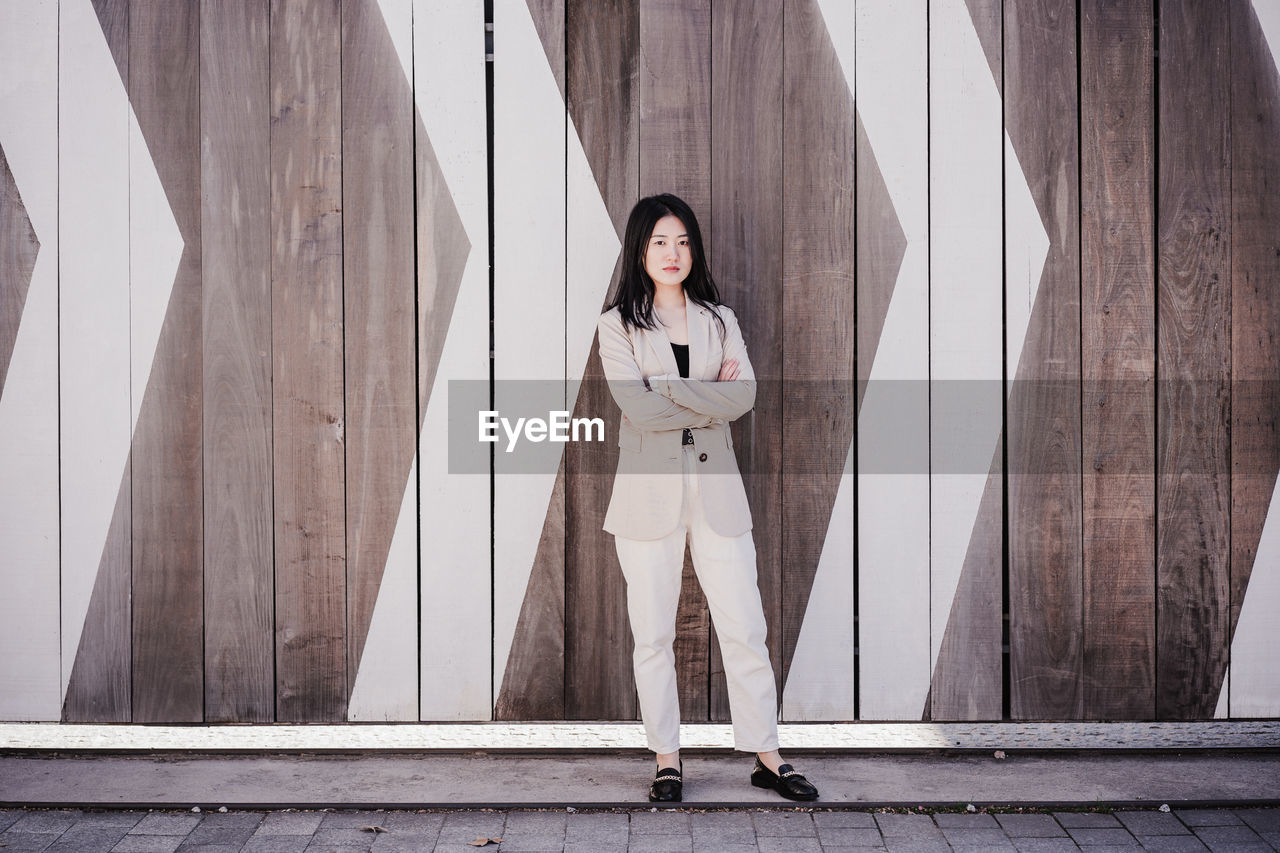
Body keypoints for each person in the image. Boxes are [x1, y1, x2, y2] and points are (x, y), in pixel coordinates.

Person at [595, 193, 819, 803]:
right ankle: (667, 759)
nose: (673, 253)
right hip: (647, 501)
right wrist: (702, 396)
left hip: (717, 494)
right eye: (660, 241)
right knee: (653, 635)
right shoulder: (616, 325)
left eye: (684, 241)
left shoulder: (720, 321)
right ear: (641, 249)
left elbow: (742, 396)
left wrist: (666, 387)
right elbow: (634, 407)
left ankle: (767, 756)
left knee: (745, 626)